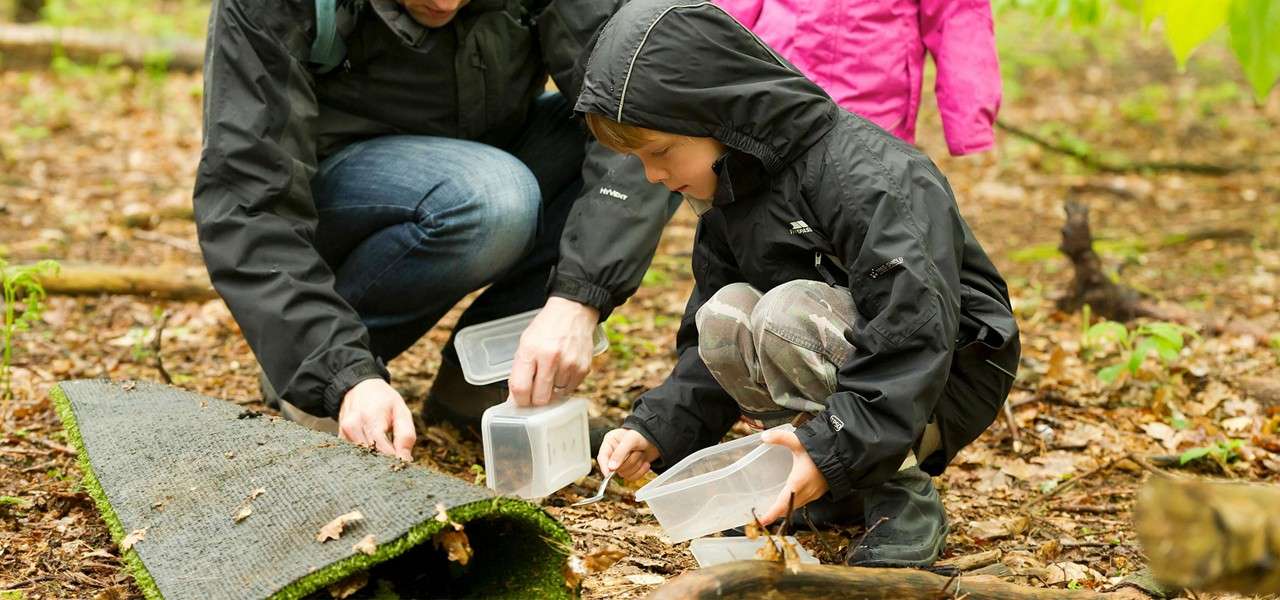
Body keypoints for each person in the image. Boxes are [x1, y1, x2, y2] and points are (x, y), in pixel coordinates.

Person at [583, 0, 1020, 567]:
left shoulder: (868, 176)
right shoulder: (728, 194)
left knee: (784, 313)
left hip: (946, 373)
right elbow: (707, 348)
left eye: (660, 152)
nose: (653, 176)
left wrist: (837, 444)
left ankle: (898, 494)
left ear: (715, 116)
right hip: (863, 367)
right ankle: (826, 477)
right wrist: (659, 427)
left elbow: (912, 323)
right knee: (725, 314)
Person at [194, 0, 680, 459]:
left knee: (652, 145)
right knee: (492, 198)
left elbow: (634, 108)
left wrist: (579, 299)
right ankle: (319, 364)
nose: (445, 4)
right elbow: (249, 195)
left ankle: (485, 386)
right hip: (340, 194)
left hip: (481, 153)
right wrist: (337, 372)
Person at [714, 0, 1002, 156]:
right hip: (779, 82)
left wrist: (970, 120)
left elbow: (959, 18)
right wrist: (709, 75)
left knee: (863, 201)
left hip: (872, 96)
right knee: (774, 206)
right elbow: (730, 10)